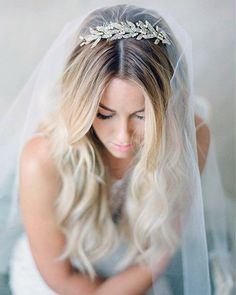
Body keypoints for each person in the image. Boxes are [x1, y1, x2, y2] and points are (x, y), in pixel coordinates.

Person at [0, 4, 234, 295]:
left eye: (142, 115)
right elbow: (59, 276)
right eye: (104, 114)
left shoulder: (193, 138)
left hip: (134, 274)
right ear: (81, 105)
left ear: (171, 104)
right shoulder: (42, 159)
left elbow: (161, 249)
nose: (123, 136)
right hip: (60, 282)